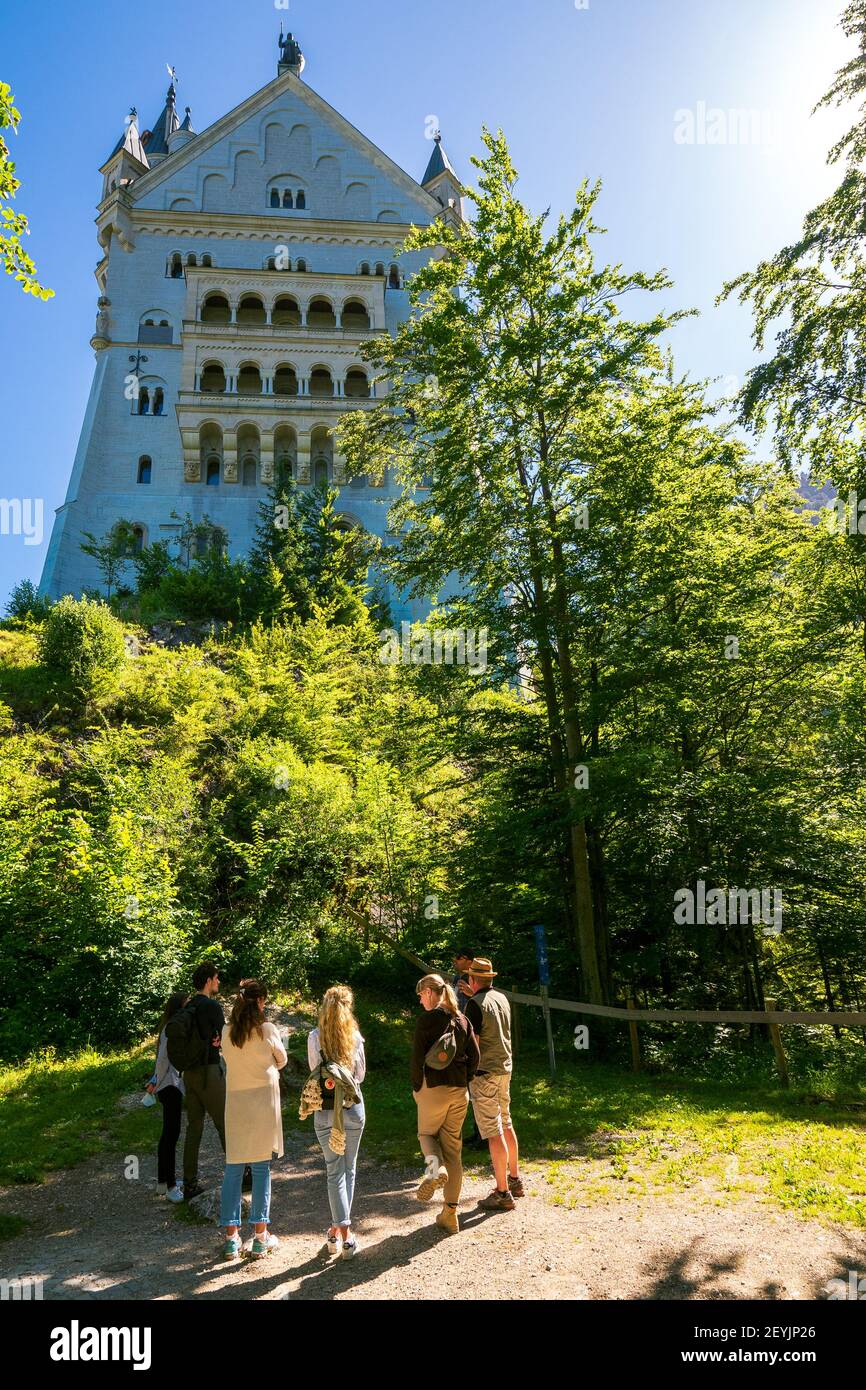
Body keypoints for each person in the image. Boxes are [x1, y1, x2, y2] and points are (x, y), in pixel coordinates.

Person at [220, 979, 287, 1261]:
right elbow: (281, 1059)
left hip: (236, 1101)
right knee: (261, 1169)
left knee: (233, 1169)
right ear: (260, 1002)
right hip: (262, 1101)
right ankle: (260, 1236)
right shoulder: (267, 1030)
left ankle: (231, 1239)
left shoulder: (227, 1032)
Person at [412, 973, 480, 1234]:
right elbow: (475, 1056)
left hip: (432, 1090)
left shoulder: (427, 1020)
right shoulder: (462, 1020)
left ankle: (433, 1171)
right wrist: (465, 1080)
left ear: (430, 992)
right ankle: (450, 1215)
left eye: (421, 996)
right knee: (454, 1152)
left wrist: (418, 1089)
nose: (420, 1001)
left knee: (427, 1134)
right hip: (459, 1092)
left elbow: (417, 1058)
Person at [307, 986, 366, 1259]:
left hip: (325, 1111)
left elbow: (313, 1072)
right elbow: (361, 1076)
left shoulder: (314, 1038)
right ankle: (345, 1235)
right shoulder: (354, 1038)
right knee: (349, 1169)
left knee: (334, 1171)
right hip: (352, 1109)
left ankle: (338, 1231)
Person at [464, 957, 523, 1212]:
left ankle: (502, 1192)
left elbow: (473, 1042)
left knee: (492, 1130)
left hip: (484, 1072)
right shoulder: (501, 998)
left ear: (472, 979)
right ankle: (515, 1179)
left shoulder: (473, 1006)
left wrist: (466, 1071)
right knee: (506, 1122)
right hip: (504, 1069)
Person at [182, 962, 227, 1202]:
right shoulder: (212, 1006)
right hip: (209, 1071)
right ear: (209, 980)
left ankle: (190, 1184)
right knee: (224, 1123)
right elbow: (226, 1037)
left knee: (194, 1129)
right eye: (217, 979)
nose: (218, 983)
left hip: (190, 1073)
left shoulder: (189, 1006)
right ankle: (241, 1176)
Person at [146, 991, 188, 1202]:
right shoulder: (171, 1029)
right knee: (171, 1135)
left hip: (168, 1085)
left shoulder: (168, 1028)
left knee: (168, 1135)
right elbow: (162, 1061)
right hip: (169, 1085)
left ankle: (163, 1182)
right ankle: (170, 1186)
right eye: (186, 1004)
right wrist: (156, 1082)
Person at [451, 948, 485, 1149]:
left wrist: (472, 994)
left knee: (479, 1091)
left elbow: (482, 1005)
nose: (454, 961)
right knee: (472, 1092)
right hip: (460, 1034)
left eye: (459, 958)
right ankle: (476, 1131)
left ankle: (484, 1135)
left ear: (469, 961)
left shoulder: (478, 981)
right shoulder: (456, 979)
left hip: (474, 1038)